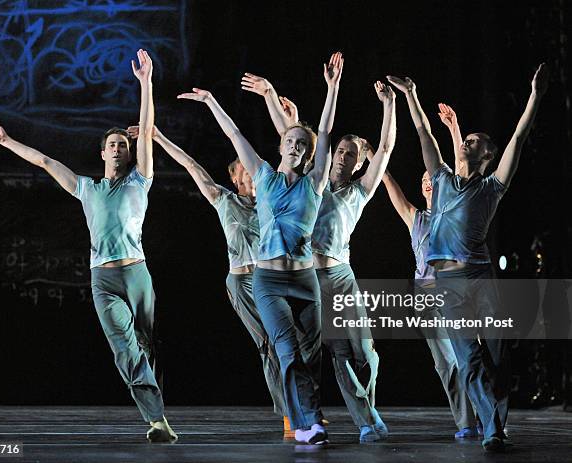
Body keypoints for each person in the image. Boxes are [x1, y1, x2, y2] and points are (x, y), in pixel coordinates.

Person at [0, 49, 177, 443]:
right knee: (124, 347)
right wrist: (7, 141)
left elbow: (148, 127)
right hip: (103, 278)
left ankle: (158, 407)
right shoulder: (86, 188)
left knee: (149, 344)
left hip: (137, 273)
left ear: (131, 152)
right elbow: (47, 162)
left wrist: (146, 84)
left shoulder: (140, 180)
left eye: (123, 144)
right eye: (112, 145)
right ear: (103, 153)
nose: (118, 148)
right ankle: (156, 420)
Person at [177, 51, 343, 444]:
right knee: (285, 349)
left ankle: (309, 418)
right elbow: (235, 135)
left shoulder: (314, 182)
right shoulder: (263, 176)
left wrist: (332, 88)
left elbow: (325, 130)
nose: (297, 145)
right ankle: (305, 424)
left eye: (304, 143)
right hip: (267, 281)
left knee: (311, 356)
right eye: (292, 140)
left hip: (304, 280)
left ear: (308, 152)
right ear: (282, 144)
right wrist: (212, 102)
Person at [387, 63, 548, 452]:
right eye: (465, 139)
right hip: (446, 285)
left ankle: (498, 422)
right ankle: (491, 429)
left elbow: (519, 138)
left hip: (480, 278)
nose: (466, 143)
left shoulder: (492, 187)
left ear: (488, 155)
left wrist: (535, 96)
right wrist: (411, 95)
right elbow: (425, 132)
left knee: (495, 353)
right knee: (468, 358)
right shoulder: (440, 179)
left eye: (474, 141)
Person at [242, 74, 396, 443]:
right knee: (334, 354)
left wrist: (390, 106)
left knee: (365, 352)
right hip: (308, 275)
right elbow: (295, 141)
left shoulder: (360, 191)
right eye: (340, 151)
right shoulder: (312, 179)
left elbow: (387, 150)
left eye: (351, 154)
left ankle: (367, 407)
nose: (343, 156)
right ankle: (359, 421)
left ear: (360, 163)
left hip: (341, 274)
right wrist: (270, 95)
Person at [127, 122, 289, 432]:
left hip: (273, 281)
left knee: (290, 343)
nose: (250, 167)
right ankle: (289, 415)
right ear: (234, 176)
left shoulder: (273, 202)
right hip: (243, 283)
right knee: (269, 344)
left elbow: (292, 160)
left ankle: (303, 406)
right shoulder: (224, 200)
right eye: (243, 164)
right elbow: (191, 165)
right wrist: (159, 137)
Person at [375, 111, 479, 437]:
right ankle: (467, 424)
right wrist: (377, 165)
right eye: (423, 180)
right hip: (427, 296)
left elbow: (459, 170)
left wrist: (454, 128)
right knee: (446, 363)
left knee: (469, 358)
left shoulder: (455, 210)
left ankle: (487, 418)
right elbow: (393, 191)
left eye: (431, 178)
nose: (428, 182)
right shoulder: (416, 218)